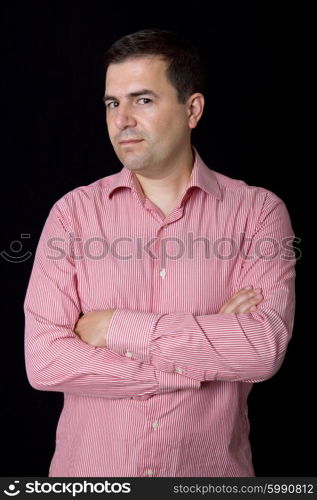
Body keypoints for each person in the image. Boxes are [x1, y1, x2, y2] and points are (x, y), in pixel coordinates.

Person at [24, 28, 296, 477]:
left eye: (143, 100)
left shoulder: (258, 213)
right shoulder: (72, 215)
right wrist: (201, 362)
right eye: (113, 103)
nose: (122, 119)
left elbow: (262, 349)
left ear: (193, 109)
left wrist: (114, 327)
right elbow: (45, 361)